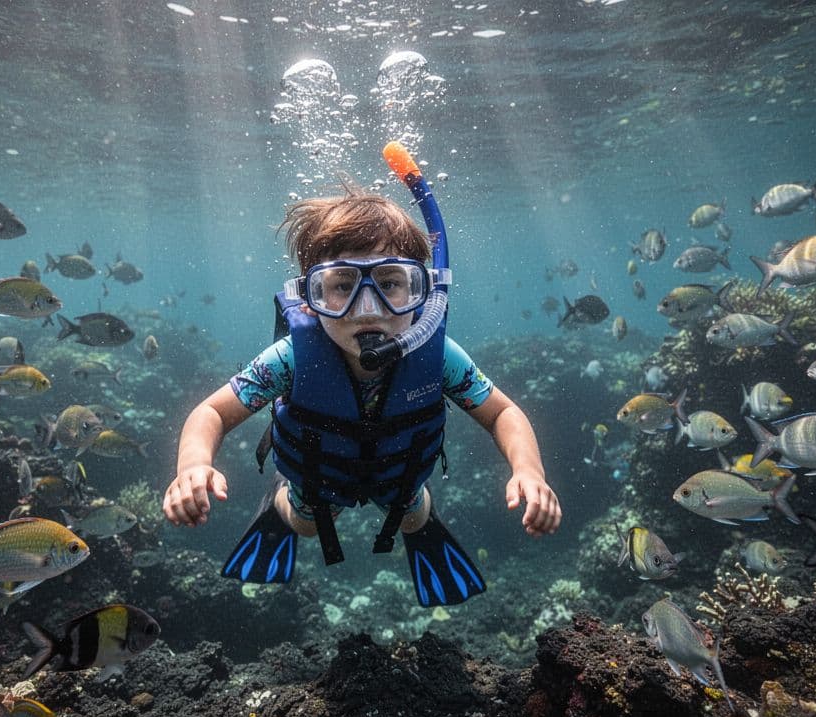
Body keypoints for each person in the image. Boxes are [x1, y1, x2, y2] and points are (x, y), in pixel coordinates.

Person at [162, 183, 561, 607]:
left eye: (390, 284)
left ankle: (423, 531)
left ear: (420, 292)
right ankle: (277, 507)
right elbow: (212, 413)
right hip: (318, 479)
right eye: (341, 286)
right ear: (310, 298)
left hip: (400, 476)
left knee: (411, 516)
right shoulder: (293, 358)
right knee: (307, 524)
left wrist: (528, 471)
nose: (367, 308)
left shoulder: (437, 354)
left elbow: (503, 413)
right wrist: (192, 465)